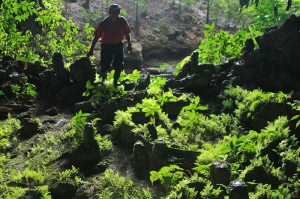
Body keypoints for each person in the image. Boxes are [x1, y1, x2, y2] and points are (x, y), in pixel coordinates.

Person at [87, 4, 132, 86]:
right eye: (112, 11)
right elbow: (97, 36)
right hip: (106, 46)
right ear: (109, 12)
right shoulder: (104, 23)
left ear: (119, 12)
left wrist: (129, 44)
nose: (114, 13)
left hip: (118, 45)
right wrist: (91, 49)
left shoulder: (122, 21)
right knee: (104, 65)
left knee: (119, 64)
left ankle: (115, 83)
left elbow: (127, 33)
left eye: (116, 11)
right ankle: (103, 81)